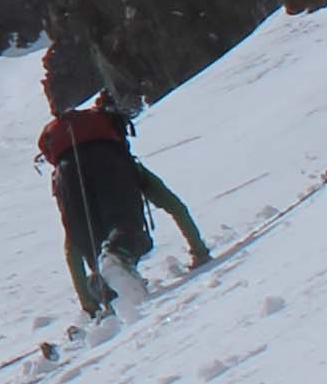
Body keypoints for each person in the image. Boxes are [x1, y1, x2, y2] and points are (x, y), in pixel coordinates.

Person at [35, 42, 206, 317]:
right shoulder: (115, 153)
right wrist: (198, 250)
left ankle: (104, 291)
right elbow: (171, 203)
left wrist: (87, 308)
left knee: (86, 239)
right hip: (111, 165)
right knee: (126, 232)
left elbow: (72, 249)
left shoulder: (64, 166)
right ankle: (116, 259)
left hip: (68, 179)